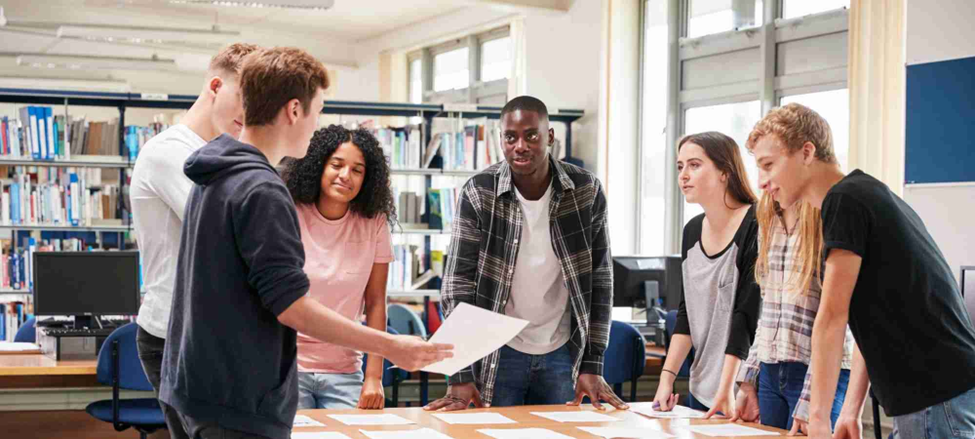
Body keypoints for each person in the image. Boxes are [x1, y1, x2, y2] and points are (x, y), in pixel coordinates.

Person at [159, 47, 452, 439]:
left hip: (193, 389)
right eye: (318, 111)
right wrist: (392, 346)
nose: (317, 125)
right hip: (237, 402)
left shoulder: (214, 172)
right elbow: (292, 307)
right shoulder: (262, 189)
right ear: (295, 110)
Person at [746, 103, 975, 439]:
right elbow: (873, 320)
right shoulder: (863, 194)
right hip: (938, 391)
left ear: (807, 152)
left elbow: (832, 317)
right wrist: (850, 410)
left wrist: (819, 418)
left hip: (934, 393)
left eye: (769, 165)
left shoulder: (844, 200)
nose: (763, 182)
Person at [424, 95, 626, 412]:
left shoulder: (585, 191)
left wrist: (593, 362)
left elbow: (601, 281)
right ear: (501, 140)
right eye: (510, 137)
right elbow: (457, 285)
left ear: (549, 137)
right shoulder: (480, 191)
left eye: (531, 135)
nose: (521, 145)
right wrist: (460, 372)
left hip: (562, 349)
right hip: (497, 350)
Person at [131, 42, 259, 439]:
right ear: (216, 86)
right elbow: (231, 231)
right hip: (175, 335)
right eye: (245, 99)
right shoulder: (170, 153)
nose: (249, 114)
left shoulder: (225, 154)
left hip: (210, 336)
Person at [281, 125, 396, 410]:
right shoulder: (289, 212)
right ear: (319, 165)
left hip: (345, 370)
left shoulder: (374, 222)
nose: (346, 176)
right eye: (337, 165)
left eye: (357, 170)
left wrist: (374, 377)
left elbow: (376, 303)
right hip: (287, 367)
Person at [651, 131, 761, 419]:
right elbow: (688, 313)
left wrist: (728, 387)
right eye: (680, 166)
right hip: (702, 389)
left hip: (741, 391)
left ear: (725, 172)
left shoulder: (756, 223)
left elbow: (746, 316)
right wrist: (666, 379)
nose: (683, 175)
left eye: (694, 165)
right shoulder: (691, 230)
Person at [731, 191, 854, 434]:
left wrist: (811, 401)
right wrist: (748, 379)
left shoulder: (827, 218)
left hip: (817, 371)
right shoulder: (768, 218)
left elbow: (837, 321)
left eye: (769, 164)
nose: (762, 181)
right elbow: (768, 311)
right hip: (770, 369)